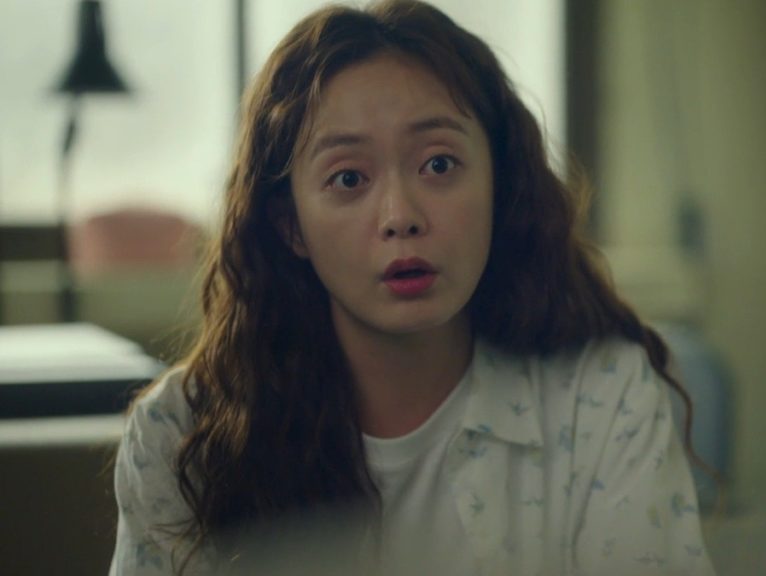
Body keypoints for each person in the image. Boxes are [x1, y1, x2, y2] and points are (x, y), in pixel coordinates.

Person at [109, 2, 715, 575]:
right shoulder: (179, 436)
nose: (401, 216)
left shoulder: (601, 399)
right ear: (290, 226)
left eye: (439, 164)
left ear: (499, 186)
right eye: (349, 178)